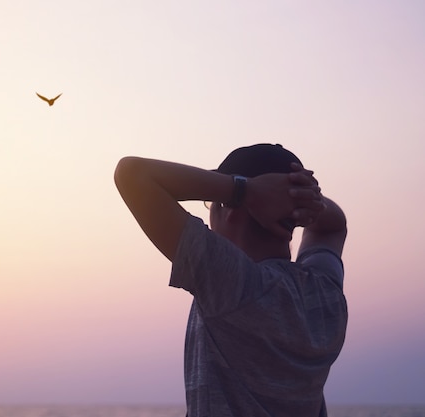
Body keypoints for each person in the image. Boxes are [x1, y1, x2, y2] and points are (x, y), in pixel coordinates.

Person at [114, 143, 347, 417]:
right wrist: (303, 199)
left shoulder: (233, 284)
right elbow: (334, 224)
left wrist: (243, 190)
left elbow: (132, 174)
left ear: (230, 207)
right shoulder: (324, 294)